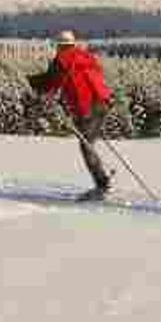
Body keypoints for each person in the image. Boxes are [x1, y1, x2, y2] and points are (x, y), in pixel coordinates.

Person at [40, 30, 115, 201]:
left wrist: (46, 96)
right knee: (88, 142)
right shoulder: (85, 56)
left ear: (59, 46)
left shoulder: (61, 60)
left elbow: (51, 84)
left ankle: (102, 185)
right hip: (103, 104)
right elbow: (92, 78)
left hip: (87, 108)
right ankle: (102, 181)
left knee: (86, 145)